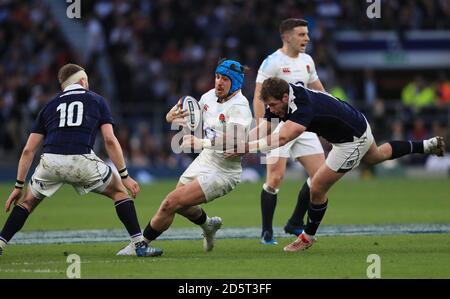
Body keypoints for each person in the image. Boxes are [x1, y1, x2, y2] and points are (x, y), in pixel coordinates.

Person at [244, 77, 445, 252]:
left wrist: (247, 149)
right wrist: (238, 141)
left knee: (317, 186)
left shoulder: (302, 105)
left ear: (285, 98)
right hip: (355, 123)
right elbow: (265, 128)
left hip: (351, 140)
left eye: (271, 105)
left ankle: (307, 236)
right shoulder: (282, 97)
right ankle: (428, 145)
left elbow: (282, 138)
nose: (270, 109)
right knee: (376, 156)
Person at [0, 64, 162, 257]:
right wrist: (125, 175)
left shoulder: (49, 106)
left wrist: (18, 186)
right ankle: (138, 245)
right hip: (81, 160)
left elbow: (28, 150)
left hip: (50, 162)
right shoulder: (97, 100)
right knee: (120, 192)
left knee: (27, 203)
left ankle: (1, 244)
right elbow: (110, 140)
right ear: (83, 80)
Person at [116, 59, 252, 255]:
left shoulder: (240, 107)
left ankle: (140, 244)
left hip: (225, 171)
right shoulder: (208, 97)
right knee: (180, 205)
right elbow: (190, 120)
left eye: (225, 79)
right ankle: (208, 226)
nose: (219, 82)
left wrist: (202, 143)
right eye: (217, 77)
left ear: (236, 82)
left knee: (171, 202)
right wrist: (171, 117)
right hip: (206, 159)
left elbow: (234, 140)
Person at [253, 18, 326, 244]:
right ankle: (267, 231)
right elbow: (258, 95)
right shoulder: (272, 62)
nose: (307, 38)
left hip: (304, 125)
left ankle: (294, 222)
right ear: (286, 37)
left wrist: (337, 110)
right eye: (302, 34)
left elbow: (319, 91)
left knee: (321, 177)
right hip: (278, 125)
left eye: (307, 34)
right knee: (275, 178)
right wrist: (261, 126)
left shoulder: (307, 61)